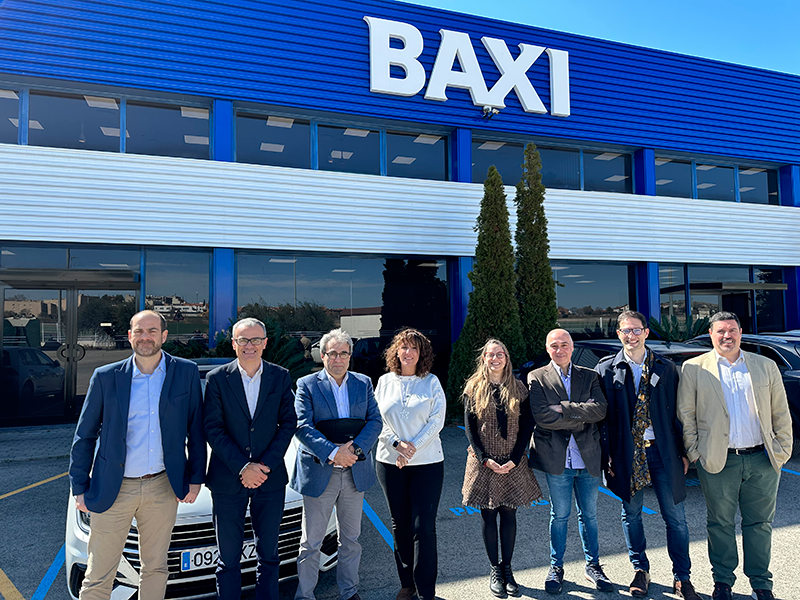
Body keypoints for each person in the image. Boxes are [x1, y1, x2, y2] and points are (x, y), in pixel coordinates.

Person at [69, 310, 206, 600]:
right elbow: (85, 435)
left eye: (152, 331)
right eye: (139, 331)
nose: (146, 337)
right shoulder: (106, 377)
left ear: (164, 336)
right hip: (114, 486)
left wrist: (195, 479)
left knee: (155, 567)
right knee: (99, 573)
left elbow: (196, 430)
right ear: (130, 336)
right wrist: (78, 487)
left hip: (162, 486)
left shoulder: (185, 372)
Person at [677, 311, 793, 600]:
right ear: (711, 334)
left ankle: (761, 584)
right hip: (718, 460)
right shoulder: (694, 368)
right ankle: (723, 582)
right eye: (720, 331)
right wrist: (695, 452)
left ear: (740, 332)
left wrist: (782, 450)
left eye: (732, 330)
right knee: (720, 524)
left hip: (762, 459)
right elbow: (686, 414)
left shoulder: (765, 365)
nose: (726, 336)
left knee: (760, 524)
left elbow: (780, 411)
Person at [595, 311, 700, 599]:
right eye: (625, 331)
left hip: (663, 453)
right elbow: (603, 421)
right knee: (632, 515)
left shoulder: (666, 368)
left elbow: (679, 413)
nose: (631, 336)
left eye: (636, 330)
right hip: (627, 454)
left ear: (646, 333)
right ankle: (641, 570)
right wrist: (607, 457)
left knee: (676, 517)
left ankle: (682, 578)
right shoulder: (606, 369)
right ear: (619, 334)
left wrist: (683, 451)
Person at [204, 317, 297, 600]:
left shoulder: (280, 376)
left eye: (255, 339)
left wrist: (263, 466)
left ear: (265, 343)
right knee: (228, 558)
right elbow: (213, 428)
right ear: (233, 344)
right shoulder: (217, 379)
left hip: (270, 480)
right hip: (227, 479)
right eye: (243, 340)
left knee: (269, 555)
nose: (249, 345)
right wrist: (243, 467)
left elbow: (288, 423)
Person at [290, 328, 382, 600]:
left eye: (343, 353)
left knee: (350, 539)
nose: (338, 359)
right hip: (321, 471)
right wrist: (333, 453)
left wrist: (354, 450)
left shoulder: (363, 383)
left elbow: (375, 421)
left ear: (350, 356)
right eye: (332, 353)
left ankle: (349, 592)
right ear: (322, 355)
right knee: (311, 542)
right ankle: (305, 595)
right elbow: (302, 426)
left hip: (354, 471)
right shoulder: (307, 385)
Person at [528, 328, 612, 595]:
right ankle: (556, 567)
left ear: (572, 347)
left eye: (564, 344)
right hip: (558, 460)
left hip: (588, 457)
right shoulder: (537, 377)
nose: (560, 350)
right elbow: (542, 417)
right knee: (560, 516)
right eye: (554, 345)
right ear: (547, 348)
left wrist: (563, 408)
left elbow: (600, 410)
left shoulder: (590, 375)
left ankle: (593, 566)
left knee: (590, 515)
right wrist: (581, 412)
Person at [462, 339, 542, 599]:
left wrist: (515, 458)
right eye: (490, 354)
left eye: (500, 354)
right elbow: (470, 429)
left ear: (507, 358)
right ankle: (494, 570)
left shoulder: (519, 388)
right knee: (488, 515)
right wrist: (485, 458)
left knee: (509, 514)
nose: (495, 358)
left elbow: (527, 425)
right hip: (484, 461)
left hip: (512, 461)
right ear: (483, 358)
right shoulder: (474, 388)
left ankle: (507, 569)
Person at [375, 328, 446, 600]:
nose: (408, 352)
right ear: (395, 352)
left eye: (414, 348)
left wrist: (410, 449)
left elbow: (437, 421)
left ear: (422, 353)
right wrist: (397, 445)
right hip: (389, 463)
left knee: (424, 526)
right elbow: (376, 419)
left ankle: (426, 590)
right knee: (400, 524)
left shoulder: (431, 382)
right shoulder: (384, 382)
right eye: (403, 347)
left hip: (427, 464)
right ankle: (407, 584)